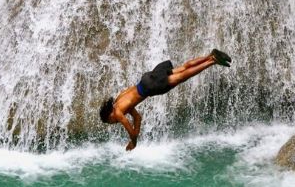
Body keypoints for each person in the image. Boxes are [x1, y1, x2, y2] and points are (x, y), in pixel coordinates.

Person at [99, 49, 231, 150]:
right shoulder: (119, 101)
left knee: (182, 77)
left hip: (150, 87)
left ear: (110, 115)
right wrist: (137, 133)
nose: (114, 122)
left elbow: (131, 132)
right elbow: (137, 118)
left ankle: (212, 60)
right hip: (146, 79)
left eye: (111, 122)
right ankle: (209, 56)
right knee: (182, 68)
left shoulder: (118, 113)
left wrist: (133, 142)